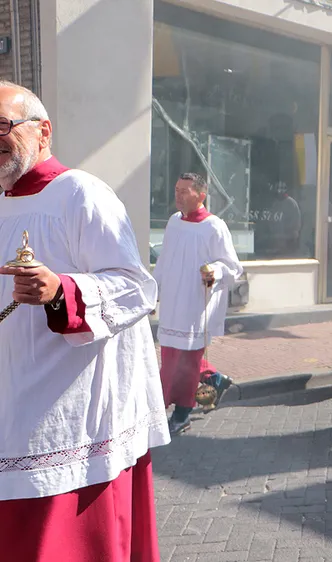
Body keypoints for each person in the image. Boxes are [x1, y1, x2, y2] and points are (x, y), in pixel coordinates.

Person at [0, 81, 168, 560]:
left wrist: (61, 291)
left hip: (61, 411)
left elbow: (136, 287)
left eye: (2, 126)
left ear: (43, 131)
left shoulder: (81, 194)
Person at [155, 172, 243, 434]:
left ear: (201, 195)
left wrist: (214, 271)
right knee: (171, 360)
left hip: (195, 306)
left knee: (186, 364)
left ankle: (181, 415)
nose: (178, 195)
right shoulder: (174, 222)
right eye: (176, 189)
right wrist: (154, 290)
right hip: (172, 304)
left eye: (185, 191)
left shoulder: (214, 226)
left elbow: (232, 266)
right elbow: (164, 259)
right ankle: (214, 379)